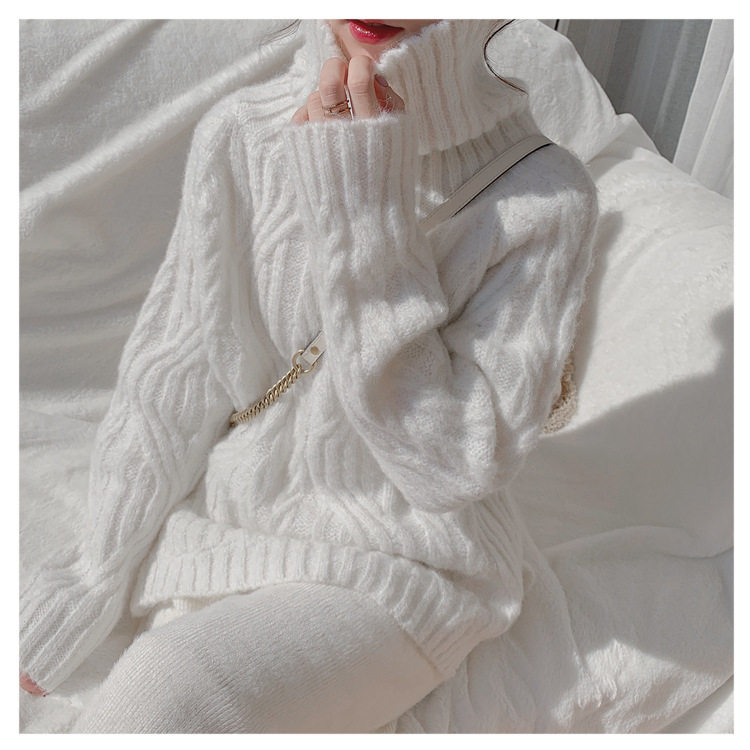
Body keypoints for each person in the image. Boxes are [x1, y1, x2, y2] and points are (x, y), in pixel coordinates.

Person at [19, 19, 598, 732]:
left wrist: (364, 209)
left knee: (165, 686)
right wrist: (90, 576)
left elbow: (452, 467)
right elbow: (174, 375)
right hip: (231, 521)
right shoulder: (242, 133)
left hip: (412, 561)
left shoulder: (544, 197)